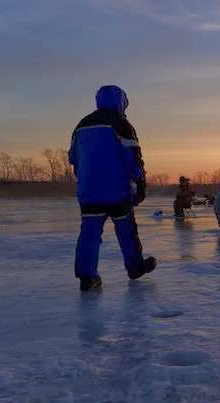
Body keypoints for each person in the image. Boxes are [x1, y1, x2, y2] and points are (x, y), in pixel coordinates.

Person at [69, 85, 156, 291]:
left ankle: (87, 277)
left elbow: (73, 157)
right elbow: (132, 157)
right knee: (126, 230)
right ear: (121, 102)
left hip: (89, 192)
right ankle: (135, 267)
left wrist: (84, 179)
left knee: (89, 233)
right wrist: (140, 183)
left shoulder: (81, 125)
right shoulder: (121, 124)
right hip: (117, 191)